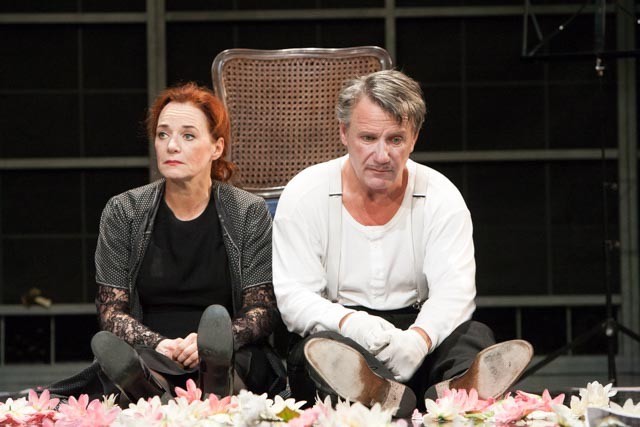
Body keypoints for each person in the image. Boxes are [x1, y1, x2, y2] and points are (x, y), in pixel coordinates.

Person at [272, 70, 533, 417]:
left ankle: (453, 389)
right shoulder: (306, 193)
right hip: (342, 333)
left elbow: (455, 292)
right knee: (321, 352)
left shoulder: (441, 195)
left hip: (419, 333)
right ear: (344, 133)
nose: (381, 155)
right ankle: (385, 392)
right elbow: (294, 298)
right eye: (368, 138)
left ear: (414, 138)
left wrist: (419, 339)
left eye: (395, 139)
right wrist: (352, 323)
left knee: (474, 334)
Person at [54, 82, 284, 403]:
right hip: (152, 352)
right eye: (163, 135)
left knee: (229, 362)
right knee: (138, 365)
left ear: (216, 147)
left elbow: (262, 309)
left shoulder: (247, 211)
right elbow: (111, 311)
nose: (171, 146)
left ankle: (209, 381)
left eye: (188, 136)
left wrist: (213, 342)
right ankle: (147, 385)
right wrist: (159, 344)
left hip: (230, 351)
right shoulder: (124, 210)